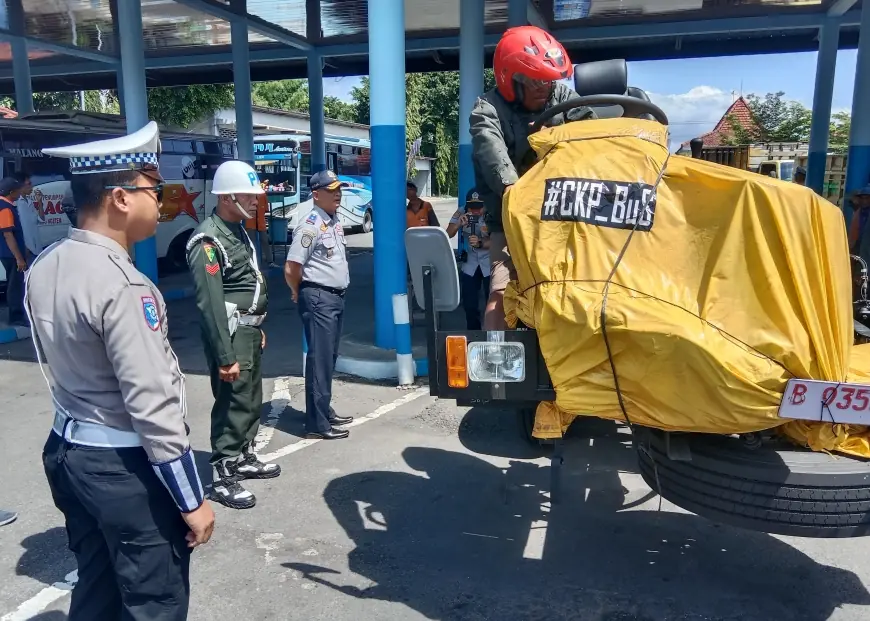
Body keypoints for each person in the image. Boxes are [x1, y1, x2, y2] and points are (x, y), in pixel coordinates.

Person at [29, 121, 214, 621]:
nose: (162, 200)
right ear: (120, 198)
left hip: (70, 452)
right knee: (155, 600)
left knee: (98, 586)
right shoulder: (125, 286)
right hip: (124, 466)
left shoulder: (46, 264)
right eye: (153, 189)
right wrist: (191, 498)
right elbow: (152, 402)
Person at [470, 25, 576, 330]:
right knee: (501, 292)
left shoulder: (562, 96)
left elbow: (591, 127)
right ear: (511, 79)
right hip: (511, 220)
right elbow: (493, 154)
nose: (545, 87)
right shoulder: (486, 110)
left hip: (569, 214)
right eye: (536, 80)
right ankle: (496, 370)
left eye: (549, 79)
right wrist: (513, 189)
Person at [186, 160, 278, 511]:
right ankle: (223, 472)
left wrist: (255, 326)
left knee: (251, 397)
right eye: (249, 195)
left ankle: (243, 455)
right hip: (230, 334)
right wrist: (225, 356)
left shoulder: (236, 229)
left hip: (247, 330)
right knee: (232, 401)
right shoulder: (208, 240)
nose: (256, 201)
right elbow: (209, 305)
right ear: (227, 197)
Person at [285, 170, 354, 440]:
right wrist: (296, 291)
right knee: (320, 360)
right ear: (316, 194)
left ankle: (323, 410)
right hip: (319, 297)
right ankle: (316, 424)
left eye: (339, 189)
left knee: (329, 357)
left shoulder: (333, 220)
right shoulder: (310, 225)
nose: (338, 194)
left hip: (334, 296)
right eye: (332, 190)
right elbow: (292, 266)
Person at [446, 189, 490, 330]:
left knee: (493, 303)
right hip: (471, 263)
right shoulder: (462, 211)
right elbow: (448, 234)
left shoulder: (494, 213)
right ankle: (474, 335)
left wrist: (481, 243)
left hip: (490, 262)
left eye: (479, 207)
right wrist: (458, 224)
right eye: (472, 207)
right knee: (470, 304)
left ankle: (493, 335)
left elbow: (502, 241)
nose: (475, 211)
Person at [0, 176, 28, 326]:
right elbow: (8, 234)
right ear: (11, 192)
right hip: (11, 255)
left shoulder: (6, 205)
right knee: (15, 286)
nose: (19, 193)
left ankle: (17, 314)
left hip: (9, 254)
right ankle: (16, 317)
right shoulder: (5, 207)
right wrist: (19, 258)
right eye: (17, 191)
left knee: (16, 284)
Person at [14, 172, 42, 261]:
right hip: (26, 249)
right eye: (28, 184)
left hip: (36, 248)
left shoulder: (29, 201)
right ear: (20, 186)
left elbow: (40, 219)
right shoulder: (16, 204)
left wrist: (40, 202)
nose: (32, 187)